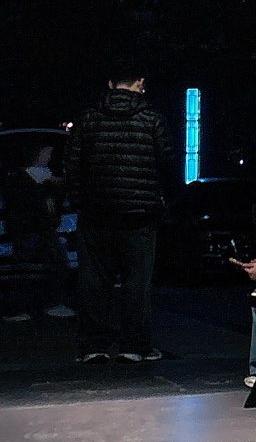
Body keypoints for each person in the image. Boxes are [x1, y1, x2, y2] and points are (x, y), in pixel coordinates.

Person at [64, 68, 173, 364]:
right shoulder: (151, 118)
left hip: (96, 213)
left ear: (110, 83)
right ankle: (134, 346)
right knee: (137, 283)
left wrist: (80, 201)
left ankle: (94, 346)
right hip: (140, 215)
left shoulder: (89, 118)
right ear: (140, 82)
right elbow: (166, 163)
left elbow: (72, 165)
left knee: (94, 282)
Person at [2, 142, 74, 324]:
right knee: (27, 268)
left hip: (39, 228)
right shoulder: (29, 177)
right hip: (32, 228)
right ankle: (18, 308)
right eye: (46, 154)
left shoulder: (35, 176)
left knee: (51, 264)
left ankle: (44, 304)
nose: (49, 158)